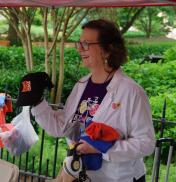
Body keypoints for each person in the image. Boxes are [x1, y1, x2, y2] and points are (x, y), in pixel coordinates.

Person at [30, 19, 155, 182]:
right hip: (83, 176)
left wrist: (102, 149)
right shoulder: (81, 85)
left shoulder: (131, 92)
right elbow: (63, 127)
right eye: (79, 43)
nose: (80, 49)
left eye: (86, 43)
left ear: (108, 49)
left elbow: (146, 143)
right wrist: (37, 102)